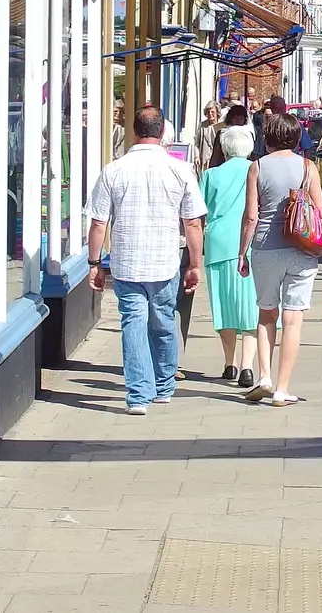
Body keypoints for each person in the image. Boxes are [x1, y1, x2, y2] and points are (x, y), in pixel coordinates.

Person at [84, 106, 205, 414]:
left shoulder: (113, 170)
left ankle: (139, 395)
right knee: (163, 320)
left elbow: (99, 223)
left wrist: (94, 264)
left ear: (133, 130)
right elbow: (192, 223)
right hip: (165, 261)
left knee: (133, 325)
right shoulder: (180, 169)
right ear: (163, 131)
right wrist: (195, 263)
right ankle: (164, 386)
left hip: (127, 263)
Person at [238, 110, 322, 407]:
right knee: (293, 319)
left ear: (268, 137)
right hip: (302, 248)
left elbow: (251, 216)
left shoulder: (256, 167)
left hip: (264, 248)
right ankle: (282, 389)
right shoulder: (307, 167)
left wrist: (242, 253)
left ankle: (263, 376)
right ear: (297, 137)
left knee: (266, 313)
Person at [200, 125, 260, 388]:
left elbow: (199, 210)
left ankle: (229, 363)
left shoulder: (211, 175)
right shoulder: (256, 170)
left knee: (223, 305)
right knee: (251, 306)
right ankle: (248, 365)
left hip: (218, 243)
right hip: (251, 243)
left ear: (224, 149)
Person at [194, 104, 222, 176]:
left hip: (218, 160)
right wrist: (196, 156)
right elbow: (197, 143)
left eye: (212, 112)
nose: (210, 114)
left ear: (217, 112)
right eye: (208, 112)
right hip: (205, 161)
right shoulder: (203, 125)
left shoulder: (222, 125)